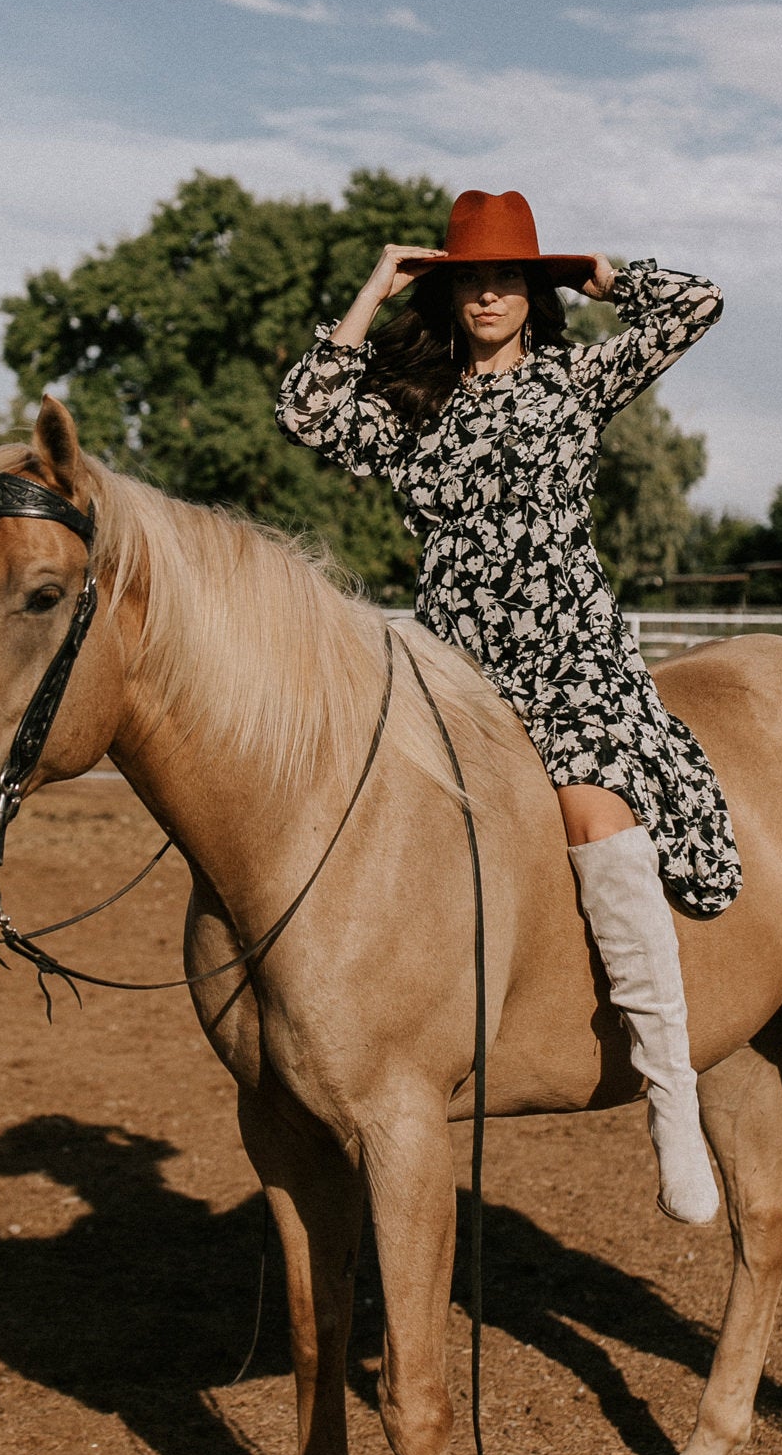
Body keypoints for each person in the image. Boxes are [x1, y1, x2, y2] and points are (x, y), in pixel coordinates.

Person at [275, 188, 741, 1223]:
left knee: (592, 810)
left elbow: (698, 305)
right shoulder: (414, 409)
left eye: (507, 277)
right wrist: (371, 292)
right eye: (470, 278)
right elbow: (305, 410)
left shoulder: (576, 380)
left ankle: (671, 1098)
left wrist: (596, 272)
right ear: (446, 292)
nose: (488, 294)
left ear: (533, 291)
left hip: (567, 649)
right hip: (446, 665)